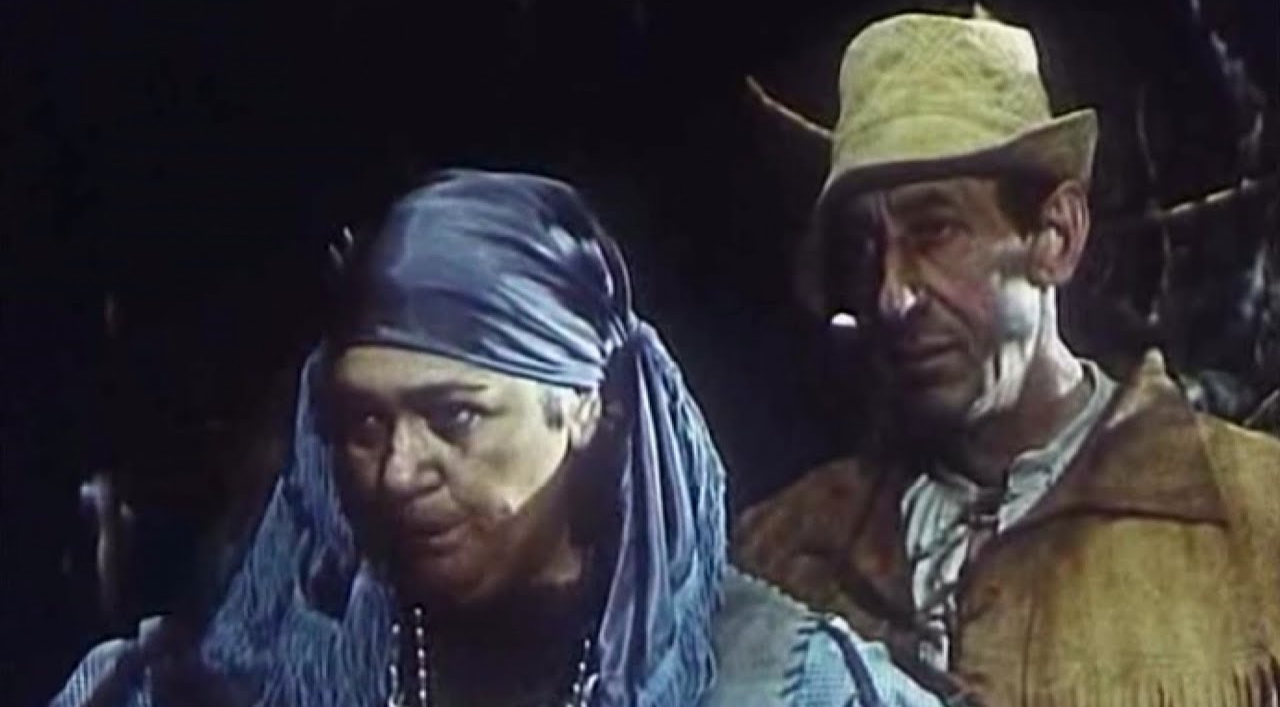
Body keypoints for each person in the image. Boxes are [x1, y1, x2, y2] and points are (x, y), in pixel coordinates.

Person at [53, 169, 943, 706]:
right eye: (365, 424)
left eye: (454, 417)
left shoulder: (782, 683)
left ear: (587, 408)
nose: (398, 471)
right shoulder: (205, 682)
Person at [734, 11, 1280, 707]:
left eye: (935, 231)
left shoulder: (1255, 519)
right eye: (864, 248)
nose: (893, 295)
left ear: (1056, 236)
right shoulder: (782, 551)